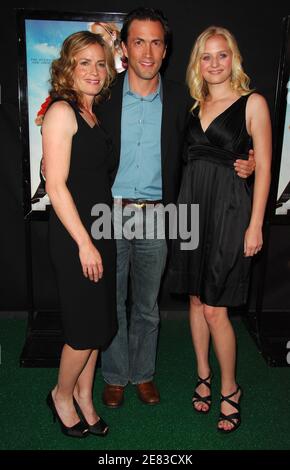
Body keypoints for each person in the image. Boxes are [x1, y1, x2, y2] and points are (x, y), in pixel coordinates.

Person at [97, 8, 255, 409]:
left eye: (156, 42)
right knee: (112, 302)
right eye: (138, 41)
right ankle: (116, 376)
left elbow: (211, 145)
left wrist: (246, 161)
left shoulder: (186, 101)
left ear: (166, 50)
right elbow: (75, 135)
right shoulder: (104, 95)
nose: (147, 51)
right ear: (125, 48)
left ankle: (144, 374)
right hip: (109, 212)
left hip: (160, 215)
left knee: (148, 306)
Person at [169, 26, 272, 432]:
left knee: (216, 308)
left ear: (234, 58)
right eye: (206, 56)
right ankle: (203, 375)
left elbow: (261, 167)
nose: (214, 63)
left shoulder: (253, 104)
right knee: (196, 301)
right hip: (190, 212)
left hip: (231, 212)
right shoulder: (192, 107)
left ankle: (230, 387)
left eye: (222, 54)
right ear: (198, 63)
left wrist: (256, 224)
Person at [42, 31, 117, 437]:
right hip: (76, 237)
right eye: (83, 62)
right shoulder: (61, 112)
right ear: (67, 67)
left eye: (100, 63)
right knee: (84, 328)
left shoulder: (93, 112)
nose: (94, 70)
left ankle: (86, 397)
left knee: (100, 325)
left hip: (99, 229)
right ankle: (61, 394)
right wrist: (85, 242)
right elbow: (56, 187)